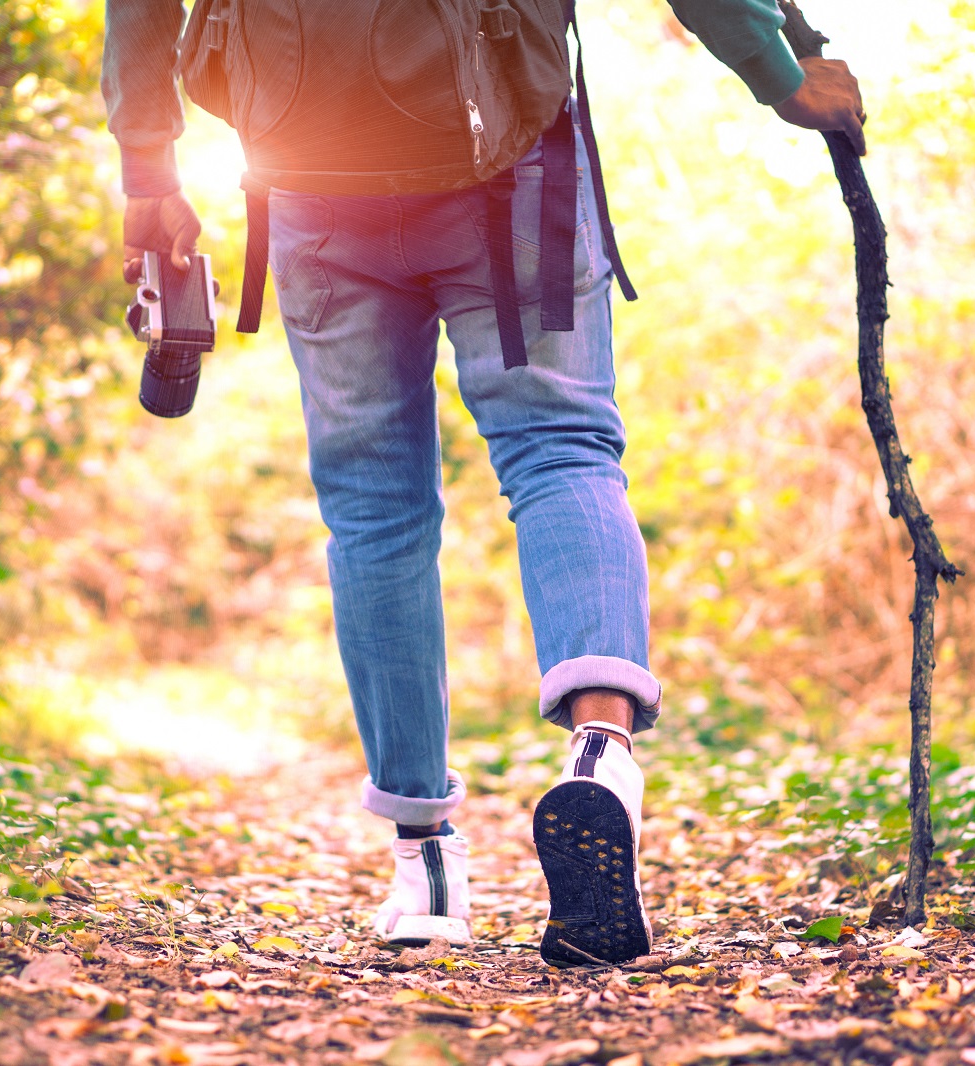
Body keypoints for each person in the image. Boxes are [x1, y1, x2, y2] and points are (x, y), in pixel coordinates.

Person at [102, 0, 865, 966]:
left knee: (373, 508)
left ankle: (423, 865)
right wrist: (781, 73)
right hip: (509, 168)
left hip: (310, 171)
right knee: (560, 451)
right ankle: (600, 757)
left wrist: (147, 170)